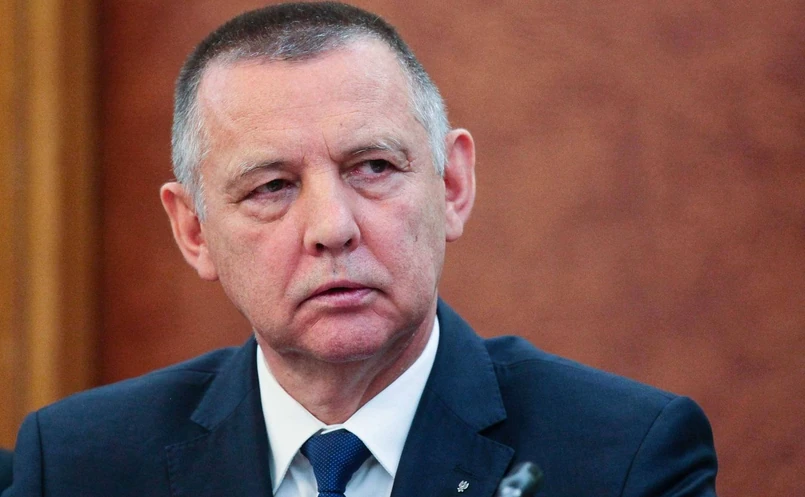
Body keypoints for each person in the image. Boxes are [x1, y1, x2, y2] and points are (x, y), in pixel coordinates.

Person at [3, 3, 718, 496]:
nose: (332, 226)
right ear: (194, 231)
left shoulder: (623, 457)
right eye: (272, 186)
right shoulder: (77, 465)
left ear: (452, 184)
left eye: (372, 167)